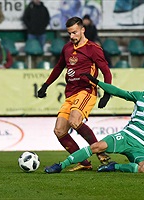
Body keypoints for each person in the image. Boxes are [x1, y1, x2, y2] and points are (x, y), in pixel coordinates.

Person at [44, 74, 144, 174]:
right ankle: (60, 165)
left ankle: (115, 167)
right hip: (126, 137)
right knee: (97, 146)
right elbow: (119, 92)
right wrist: (98, 83)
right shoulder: (141, 96)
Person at [37, 17, 112, 171]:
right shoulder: (67, 48)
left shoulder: (93, 48)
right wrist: (45, 85)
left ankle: (101, 153)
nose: (72, 36)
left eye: (74, 32)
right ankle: (84, 163)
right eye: (69, 33)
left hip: (86, 91)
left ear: (82, 30)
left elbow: (106, 71)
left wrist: (106, 93)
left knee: (74, 120)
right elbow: (58, 68)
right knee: (59, 131)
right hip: (70, 93)